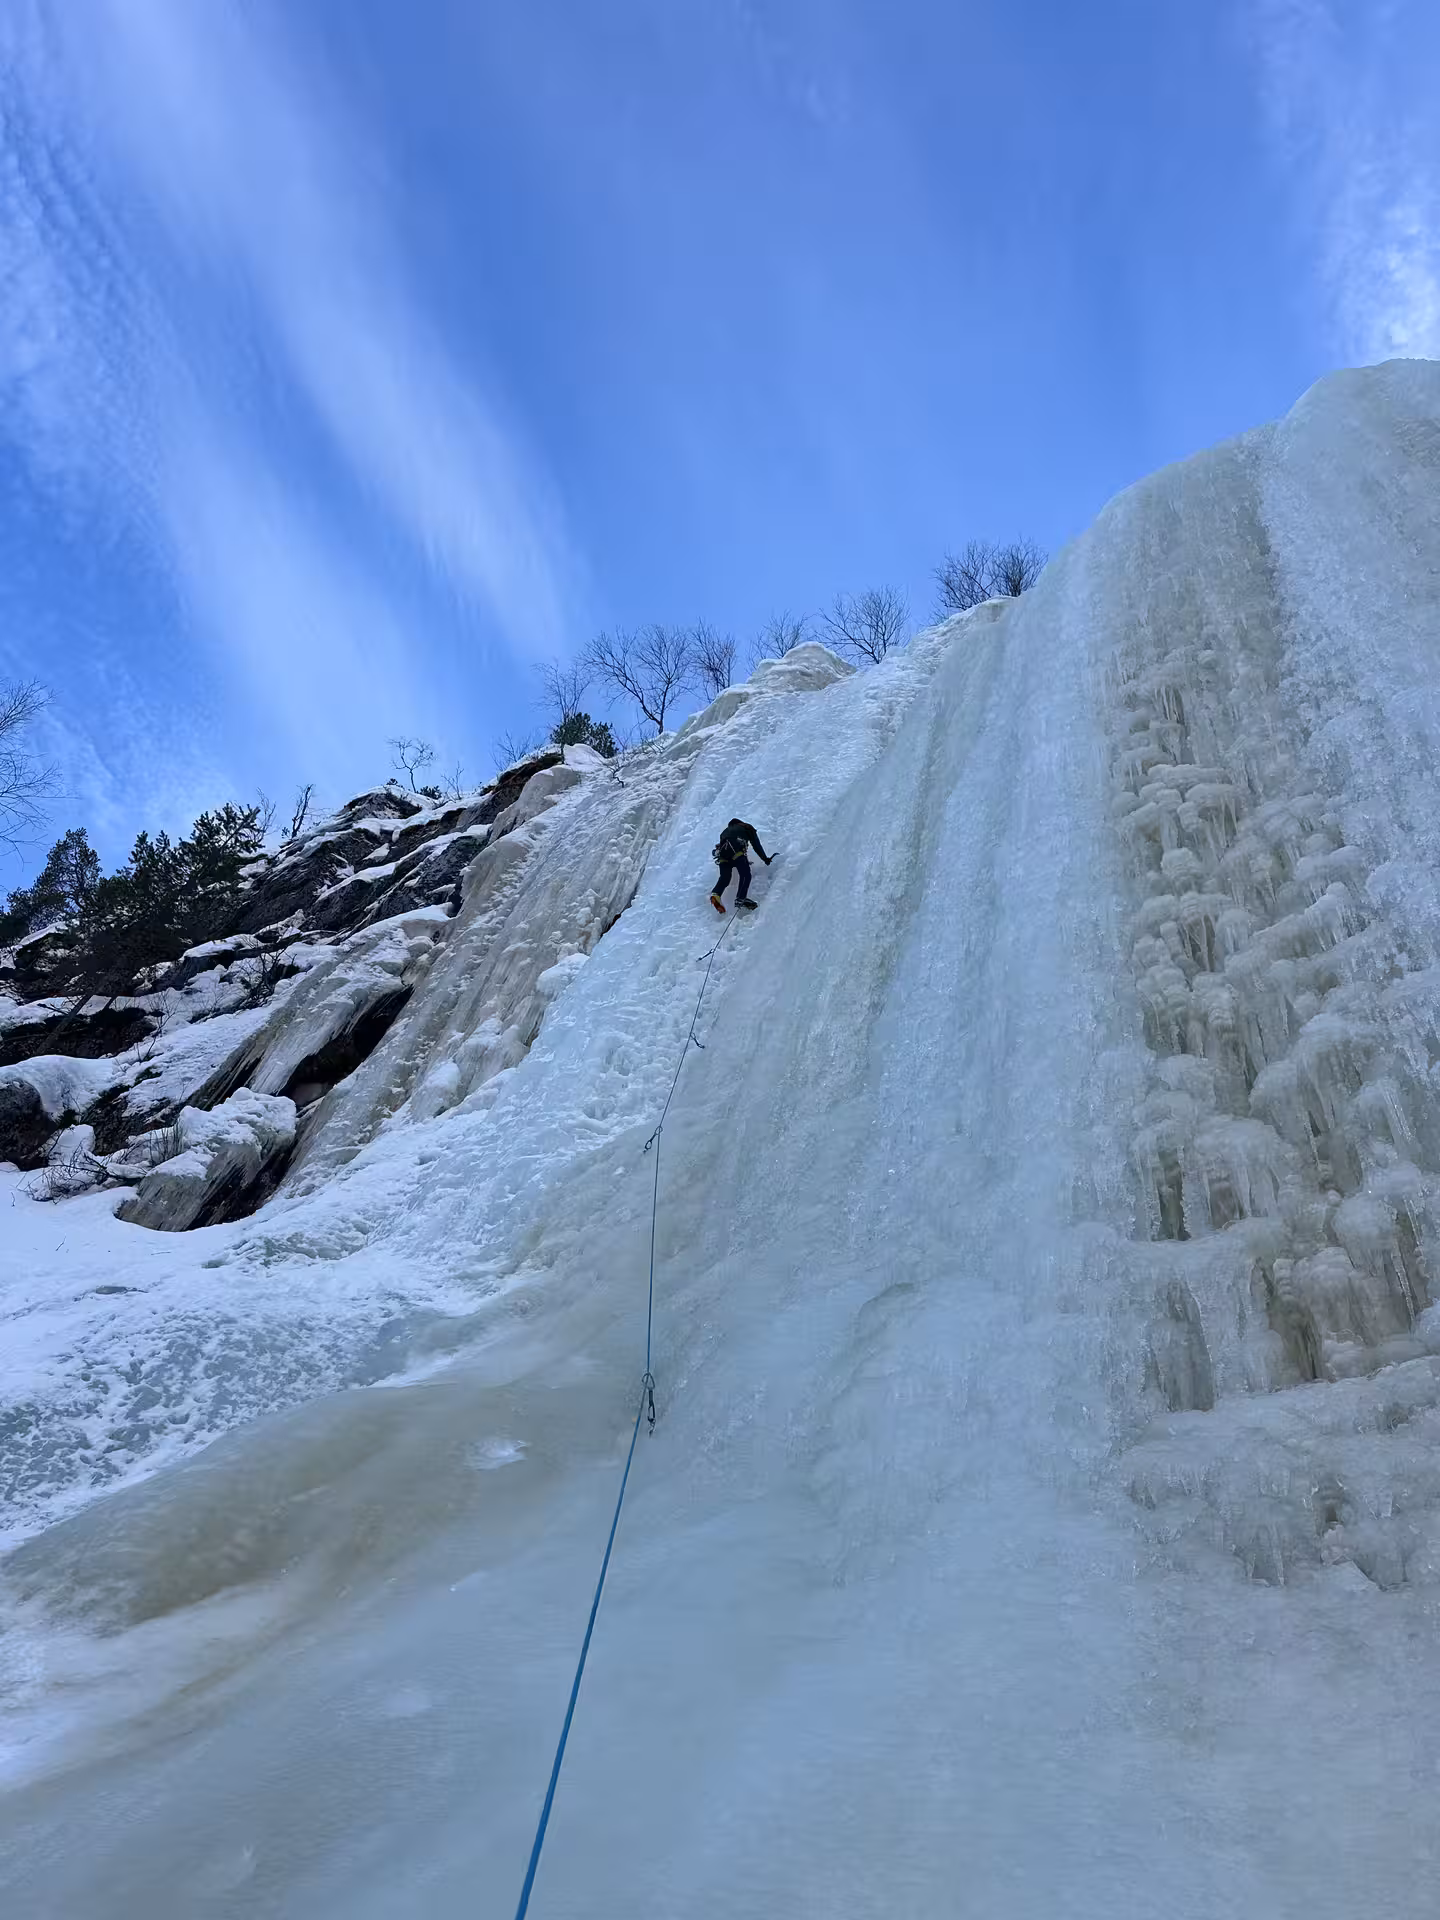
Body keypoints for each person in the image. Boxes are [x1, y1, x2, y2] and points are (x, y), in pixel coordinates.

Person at [710, 817, 772, 912]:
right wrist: (765, 859)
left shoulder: (724, 832)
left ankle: (716, 894)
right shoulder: (747, 827)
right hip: (736, 853)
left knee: (725, 878)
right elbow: (756, 845)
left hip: (722, 855)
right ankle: (740, 898)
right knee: (745, 875)